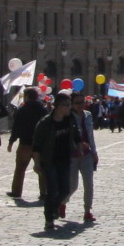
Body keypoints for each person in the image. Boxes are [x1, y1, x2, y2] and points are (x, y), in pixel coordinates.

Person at [31, 91, 82, 232]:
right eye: (67, 105)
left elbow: (76, 135)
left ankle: (53, 209)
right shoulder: (45, 123)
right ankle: (49, 219)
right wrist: (36, 163)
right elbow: (36, 145)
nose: (69, 108)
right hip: (50, 160)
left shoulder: (70, 119)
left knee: (65, 189)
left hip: (65, 159)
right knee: (52, 190)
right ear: (59, 107)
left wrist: (79, 148)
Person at [7, 88, 45, 202]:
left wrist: (11, 141)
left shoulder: (22, 109)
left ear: (27, 96)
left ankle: (16, 191)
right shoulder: (42, 109)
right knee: (42, 169)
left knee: (20, 168)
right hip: (40, 144)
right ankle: (44, 192)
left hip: (25, 143)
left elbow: (16, 127)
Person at [71, 95, 99, 225]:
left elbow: (91, 135)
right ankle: (62, 203)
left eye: (82, 102)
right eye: (77, 103)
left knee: (89, 183)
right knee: (72, 186)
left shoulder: (88, 115)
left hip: (87, 154)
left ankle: (87, 211)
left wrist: (94, 152)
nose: (80, 105)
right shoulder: (68, 117)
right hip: (72, 154)